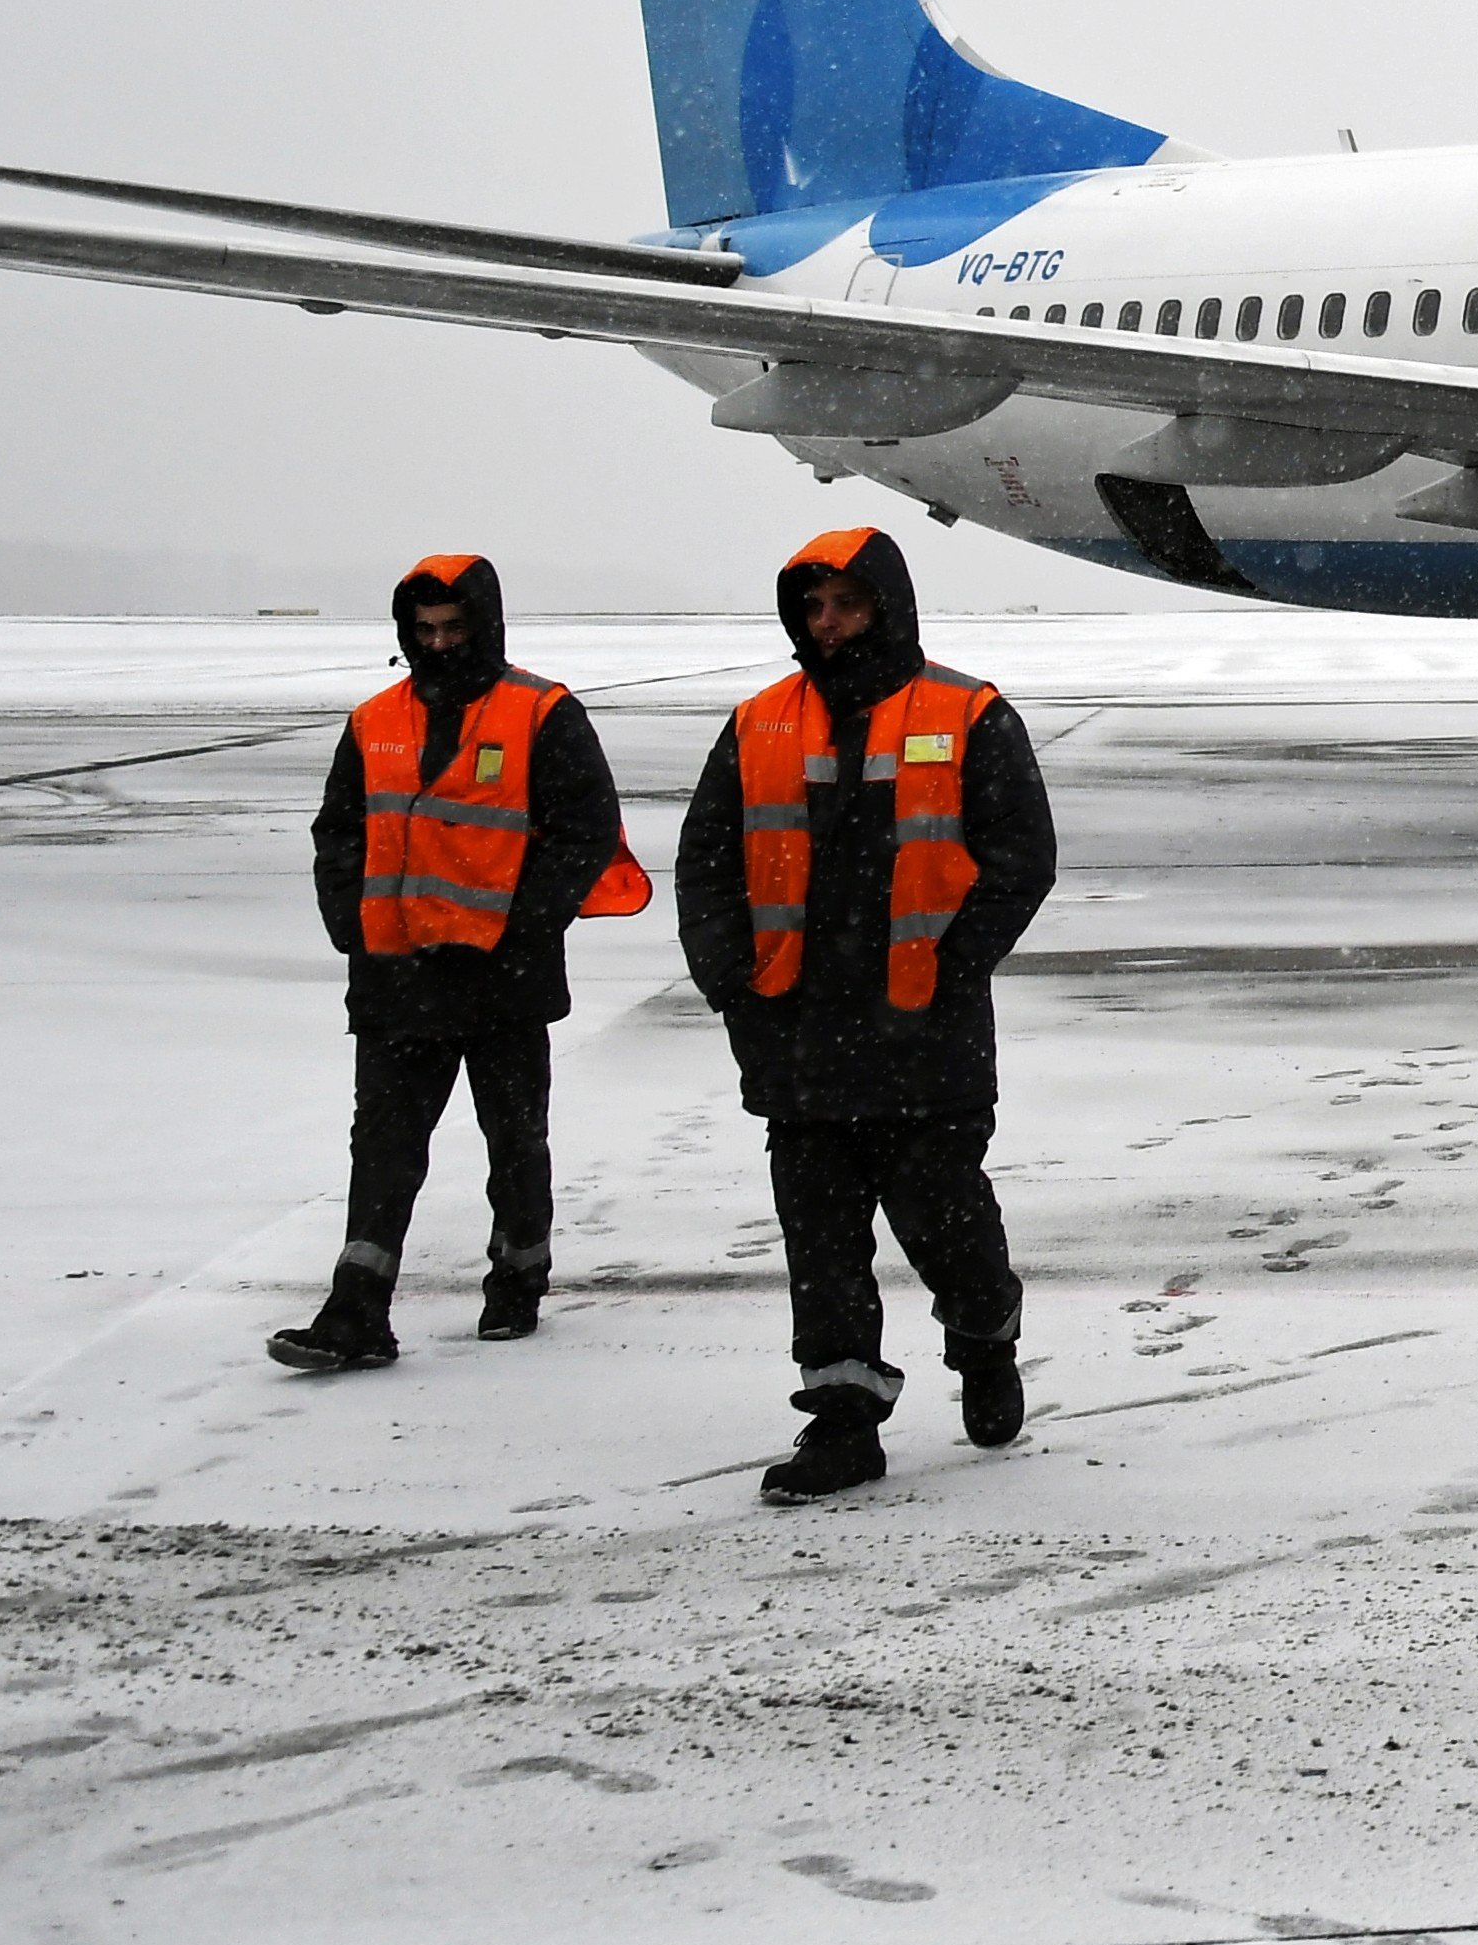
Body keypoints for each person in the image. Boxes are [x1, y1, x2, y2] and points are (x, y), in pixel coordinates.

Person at [672, 525, 1056, 1503]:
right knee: (822, 1244)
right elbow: (707, 868)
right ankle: (843, 1419)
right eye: (813, 607)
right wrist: (730, 983)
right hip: (796, 1038)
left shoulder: (967, 714)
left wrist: (955, 966)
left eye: (846, 603)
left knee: (949, 1228)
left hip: (924, 1036)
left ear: (886, 605)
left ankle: (984, 1342)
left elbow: (1020, 858)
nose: (828, 623)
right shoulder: (758, 722)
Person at [269, 553, 639, 1370]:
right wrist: (351, 925)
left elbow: (586, 831)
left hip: (503, 975)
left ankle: (518, 1276)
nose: (437, 643)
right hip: (397, 973)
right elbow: (340, 831)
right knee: (384, 1145)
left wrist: (521, 922)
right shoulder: (374, 721)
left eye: (452, 627)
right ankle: (357, 1307)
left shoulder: (541, 712)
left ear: (484, 624)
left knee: (513, 1138)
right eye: (423, 629)